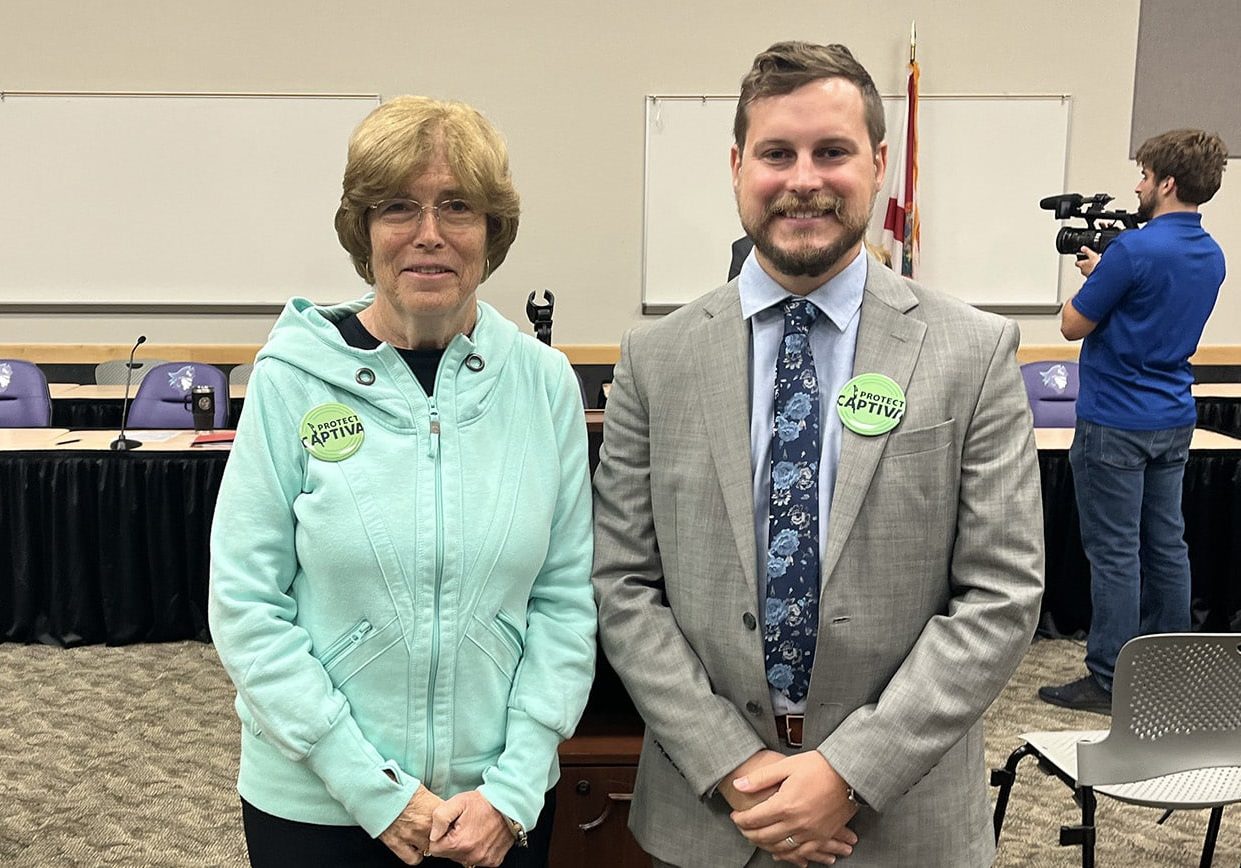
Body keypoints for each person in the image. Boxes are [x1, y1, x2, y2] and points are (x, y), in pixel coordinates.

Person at [592, 41, 1044, 867]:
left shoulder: (972, 352)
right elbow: (622, 584)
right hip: (709, 815)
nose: (803, 179)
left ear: (877, 164)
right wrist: (732, 765)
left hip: (901, 822)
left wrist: (850, 770)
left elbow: (1000, 593)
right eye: (776, 153)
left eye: (831, 151)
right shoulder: (656, 358)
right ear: (737, 167)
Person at [208, 95, 597, 868]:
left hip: (496, 807)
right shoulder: (290, 379)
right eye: (397, 207)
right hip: (317, 803)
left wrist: (513, 788)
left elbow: (563, 602)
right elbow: (246, 604)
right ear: (363, 229)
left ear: (491, 229)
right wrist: (375, 790)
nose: (428, 233)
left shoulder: (543, 384)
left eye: (457, 206)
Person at [1039, 129, 1227, 715]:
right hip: (1173, 416)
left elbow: (1072, 325)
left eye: (1144, 175)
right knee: (1167, 544)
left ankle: (1109, 678)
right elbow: (1150, 307)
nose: (1138, 186)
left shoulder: (1134, 251)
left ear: (1167, 182)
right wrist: (1109, 274)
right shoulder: (1211, 253)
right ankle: (1169, 670)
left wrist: (1097, 277)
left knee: (1115, 552)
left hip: (1115, 421)